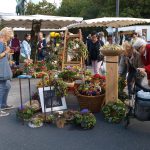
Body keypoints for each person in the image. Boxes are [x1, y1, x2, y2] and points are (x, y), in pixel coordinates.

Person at [0, 27, 14, 116]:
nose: (10, 39)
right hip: (1, 71)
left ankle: (3, 104)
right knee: (2, 88)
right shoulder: (0, 43)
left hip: (3, 70)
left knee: (7, 85)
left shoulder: (3, 44)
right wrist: (6, 51)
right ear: (5, 35)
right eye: (9, 37)